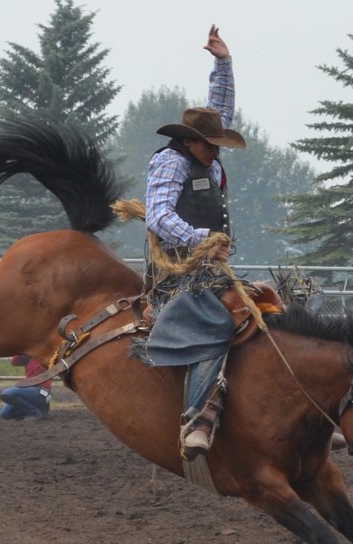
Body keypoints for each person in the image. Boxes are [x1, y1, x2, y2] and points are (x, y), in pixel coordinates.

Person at [143, 25, 245, 461]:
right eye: (211, 145)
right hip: (175, 272)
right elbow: (158, 215)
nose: (217, 151)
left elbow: (218, 111)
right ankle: (197, 417)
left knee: (264, 311)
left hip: (208, 269)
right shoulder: (170, 163)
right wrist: (203, 239)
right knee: (217, 326)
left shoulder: (202, 156)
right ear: (190, 143)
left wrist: (223, 63)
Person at [0, 355, 51, 420]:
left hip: (41, 392)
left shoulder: (47, 355)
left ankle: (34, 412)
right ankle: (39, 411)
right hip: (28, 390)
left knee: (8, 392)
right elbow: (14, 362)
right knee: (5, 413)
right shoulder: (28, 357)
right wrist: (22, 349)